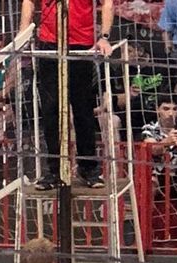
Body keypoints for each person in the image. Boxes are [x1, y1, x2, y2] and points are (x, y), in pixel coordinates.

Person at [21, 0, 112, 190]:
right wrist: (23, 33)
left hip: (81, 45)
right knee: (51, 110)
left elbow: (108, 3)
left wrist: (104, 36)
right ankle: (54, 170)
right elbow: (28, 1)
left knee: (83, 109)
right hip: (50, 45)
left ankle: (88, 168)